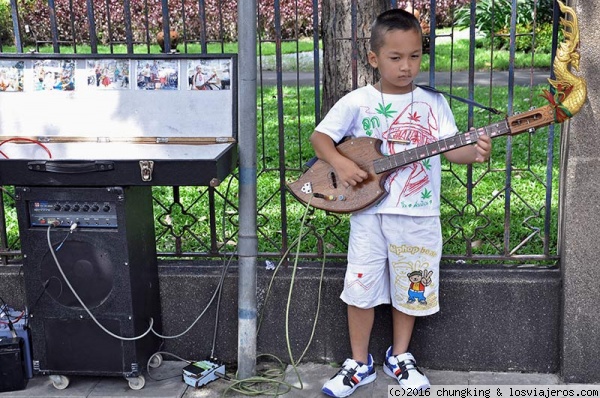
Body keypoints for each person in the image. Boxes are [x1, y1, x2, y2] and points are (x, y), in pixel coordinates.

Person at [310, 9, 492, 397]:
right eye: (395, 58)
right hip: (368, 214)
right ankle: (359, 363)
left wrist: (475, 151)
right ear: (374, 59)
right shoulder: (357, 102)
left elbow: (452, 151)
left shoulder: (433, 103)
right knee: (360, 287)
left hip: (419, 215)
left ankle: (401, 356)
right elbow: (321, 139)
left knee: (412, 286)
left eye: (414, 56)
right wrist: (341, 164)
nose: (406, 66)